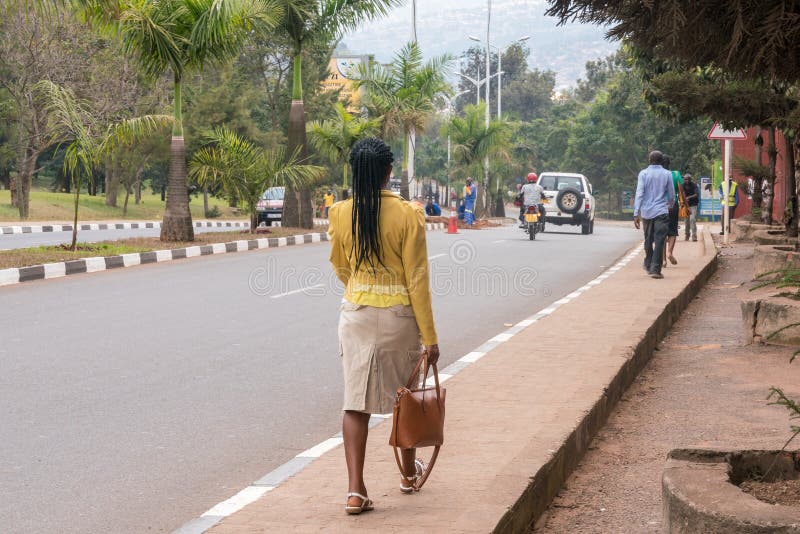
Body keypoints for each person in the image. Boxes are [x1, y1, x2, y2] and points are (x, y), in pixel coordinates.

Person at [328, 138, 440, 515]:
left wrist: (362, 289)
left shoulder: (341, 213)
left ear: (355, 172)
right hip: (399, 317)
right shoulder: (408, 215)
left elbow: (340, 265)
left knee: (354, 403)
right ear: (389, 172)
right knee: (404, 397)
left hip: (356, 314)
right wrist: (431, 337)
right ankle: (408, 475)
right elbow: (417, 280)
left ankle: (355, 491)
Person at [634, 151, 675, 279]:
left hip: (646, 212)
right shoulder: (667, 174)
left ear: (649, 160)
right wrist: (671, 205)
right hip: (661, 211)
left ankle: (648, 263)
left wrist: (636, 213)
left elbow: (639, 193)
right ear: (662, 160)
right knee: (659, 240)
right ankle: (655, 269)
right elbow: (671, 193)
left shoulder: (643, 173)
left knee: (648, 239)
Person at [661, 156, 684, 267]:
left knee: (661, 233)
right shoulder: (675, 174)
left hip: (659, 206)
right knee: (673, 230)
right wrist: (686, 205)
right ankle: (670, 252)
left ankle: (663, 260)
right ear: (670, 163)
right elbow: (681, 190)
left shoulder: (658, 174)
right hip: (672, 205)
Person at [682, 173, 699, 241]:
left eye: (688, 179)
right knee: (686, 221)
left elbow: (696, 194)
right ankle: (687, 234)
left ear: (690, 179)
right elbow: (680, 194)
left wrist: (688, 197)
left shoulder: (694, 185)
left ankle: (694, 235)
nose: (687, 180)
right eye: (685, 179)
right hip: (686, 205)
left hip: (693, 204)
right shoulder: (682, 186)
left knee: (692, 219)